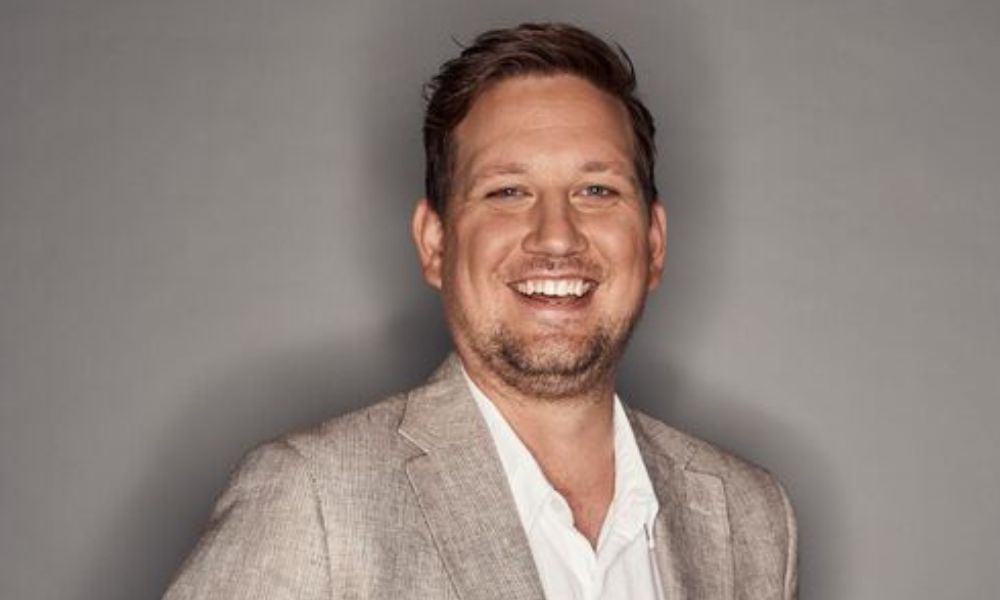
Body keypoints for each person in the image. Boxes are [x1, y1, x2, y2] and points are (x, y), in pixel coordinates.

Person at [165, 22, 797, 600]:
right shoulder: (317, 499)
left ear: (653, 244)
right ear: (435, 244)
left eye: (596, 190)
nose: (556, 237)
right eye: (507, 192)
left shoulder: (751, 518)